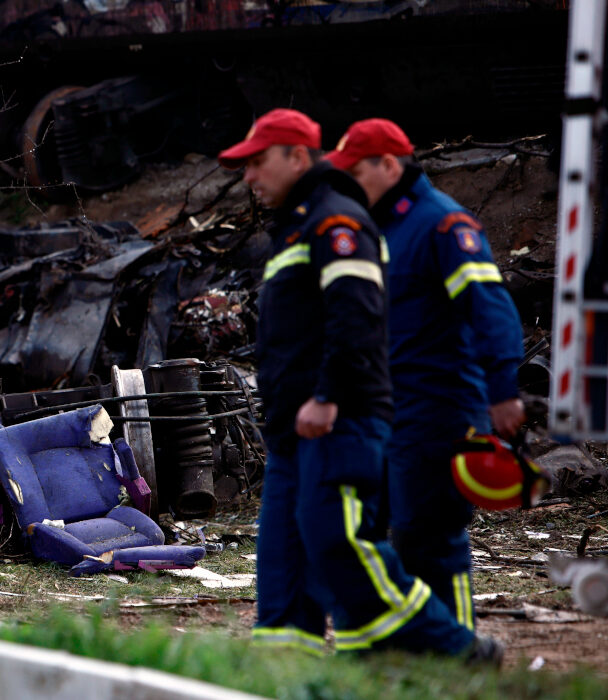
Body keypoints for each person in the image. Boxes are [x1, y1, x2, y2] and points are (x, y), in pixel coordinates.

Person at [217, 108, 492, 660]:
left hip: (337, 421)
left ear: (298, 157)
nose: (248, 177)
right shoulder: (295, 227)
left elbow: (357, 318)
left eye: (258, 161)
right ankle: (284, 662)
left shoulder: (336, 222)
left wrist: (327, 396)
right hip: (293, 430)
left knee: (339, 544)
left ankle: (457, 648)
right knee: (284, 558)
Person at [326, 118, 525, 631]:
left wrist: (503, 390)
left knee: (429, 536)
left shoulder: (443, 225)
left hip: (439, 410)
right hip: (384, 410)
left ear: (389, 166)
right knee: (370, 533)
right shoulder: (373, 227)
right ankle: (402, 641)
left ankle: (456, 650)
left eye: (355, 172)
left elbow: (490, 306)